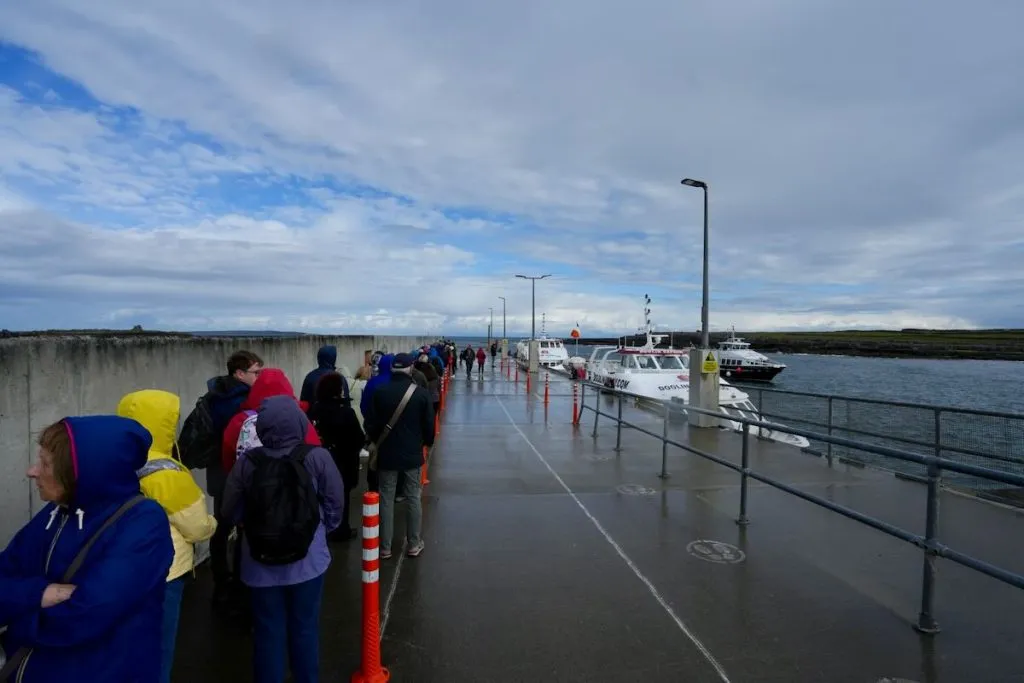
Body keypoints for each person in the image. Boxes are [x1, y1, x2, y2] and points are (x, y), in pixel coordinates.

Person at [0, 416, 174, 682]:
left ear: (82, 474)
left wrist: (16, 622)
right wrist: (40, 593)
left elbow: (86, 613)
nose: (32, 471)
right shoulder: (58, 512)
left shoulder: (143, 522)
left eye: (45, 464)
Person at [220, 397, 344, 683]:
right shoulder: (316, 457)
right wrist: (322, 529)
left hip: (259, 561)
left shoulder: (248, 462)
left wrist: (249, 524)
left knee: (268, 630)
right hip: (308, 559)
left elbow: (229, 508)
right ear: (300, 423)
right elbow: (335, 501)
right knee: (305, 627)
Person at [116, 390, 218, 683]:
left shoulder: (111, 461)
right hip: (164, 571)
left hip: (116, 569)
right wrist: (214, 523)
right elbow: (197, 526)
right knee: (158, 648)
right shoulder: (165, 472)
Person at [204, 350, 263, 607]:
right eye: (255, 372)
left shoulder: (214, 394)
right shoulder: (240, 402)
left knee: (221, 527)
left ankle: (221, 582)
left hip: (218, 471)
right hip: (235, 473)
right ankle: (239, 587)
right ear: (239, 374)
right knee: (242, 529)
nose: (258, 377)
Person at [365, 353, 434, 560]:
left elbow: (370, 423)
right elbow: (429, 426)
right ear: (410, 368)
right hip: (412, 453)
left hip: (387, 453)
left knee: (386, 497)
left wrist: (378, 441)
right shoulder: (421, 394)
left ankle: (385, 547)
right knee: (413, 496)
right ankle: (414, 543)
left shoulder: (380, 391)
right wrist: (425, 443)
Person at [308, 372, 365, 541]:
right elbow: (358, 439)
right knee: (342, 497)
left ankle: (322, 527)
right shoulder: (346, 412)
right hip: (343, 462)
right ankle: (341, 529)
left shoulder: (315, 410)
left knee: (320, 494)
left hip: (320, 460)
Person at [299, 345, 350, 410]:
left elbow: (303, 403)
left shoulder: (310, 377)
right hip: (336, 417)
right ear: (333, 359)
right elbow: (346, 403)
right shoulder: (339, 378)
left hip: (315, 417)